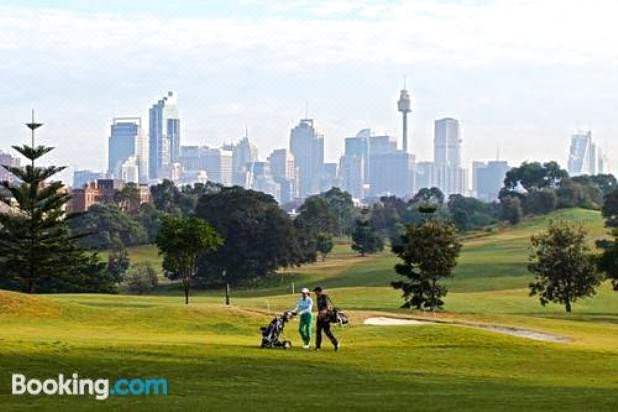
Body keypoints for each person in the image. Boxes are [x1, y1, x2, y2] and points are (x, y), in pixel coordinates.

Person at [313, 286, 339, 351]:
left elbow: (327, 308)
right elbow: (320, 308)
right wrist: (319, 315)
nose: (315, 293)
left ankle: (336, 344)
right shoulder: (317, 298)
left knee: (327, 332)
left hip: (326, 318)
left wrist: (323, 313)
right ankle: (318, 346)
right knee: (318, 332)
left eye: (316, 291)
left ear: (319, 291)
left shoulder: (324, 297)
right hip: (320, 318)